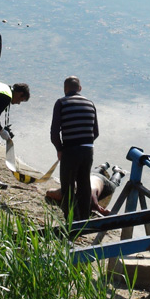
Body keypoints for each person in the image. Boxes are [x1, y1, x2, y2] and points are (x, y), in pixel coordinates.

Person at [50, 76, 99, 221]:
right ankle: (84, 220)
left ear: (65, 89)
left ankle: (72, 220)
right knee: (84, 184)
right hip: (87, 150)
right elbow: (95, 132)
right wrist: (84, 143)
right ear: (80, 88)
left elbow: (54, 132)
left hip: (70, 150)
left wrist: (60, 149)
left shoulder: (61, 103)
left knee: (68, 186)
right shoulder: (90, 103)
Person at [46, 163, 126, 216]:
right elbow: (49, 192)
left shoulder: (91, 199)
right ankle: (102, 167)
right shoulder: (67, 192)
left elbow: (106, 212)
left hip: (102, 182)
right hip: (91, 177)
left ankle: (118, 172)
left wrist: (101, 210)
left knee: (113, 186)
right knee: (91, 174)